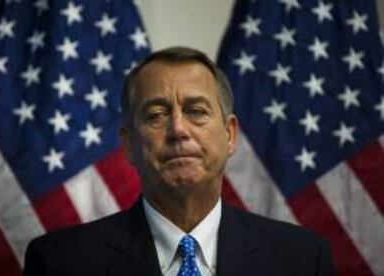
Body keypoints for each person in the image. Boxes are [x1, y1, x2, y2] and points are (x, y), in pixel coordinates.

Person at [23, 46, 336, 276]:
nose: (178, 129)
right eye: (157, 115)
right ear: (130, 144)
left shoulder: (303, 261)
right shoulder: (60, 264)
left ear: (229, 135)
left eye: (196, 111)